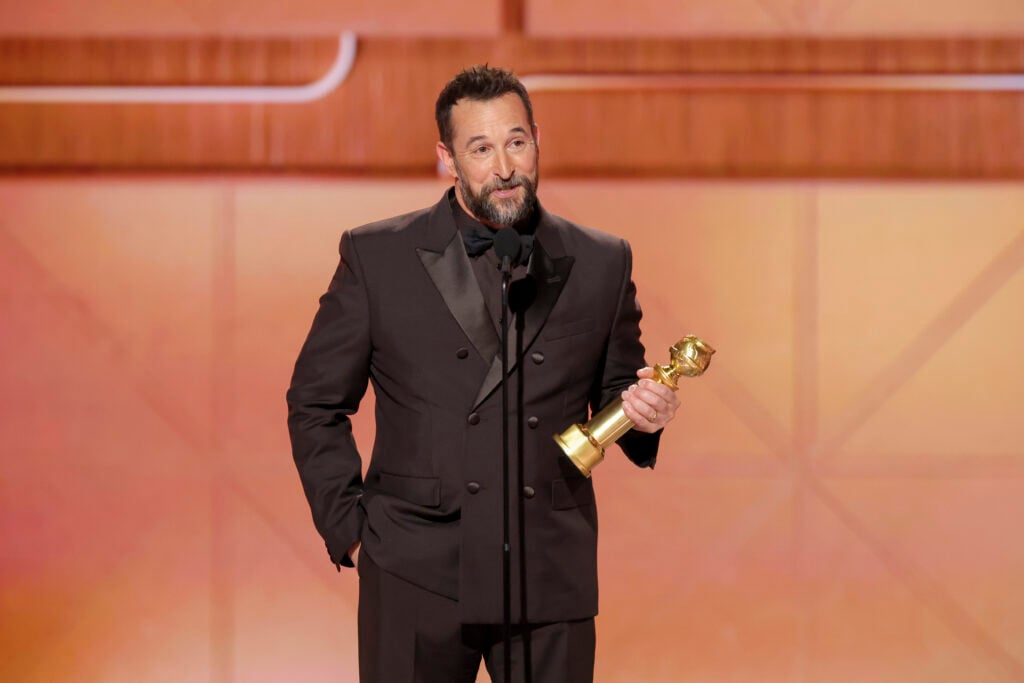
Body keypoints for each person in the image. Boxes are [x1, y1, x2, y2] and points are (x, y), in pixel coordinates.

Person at [286, 64, 680, 683]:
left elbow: (616, 395)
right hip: (414, 570)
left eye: (516, 142)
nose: (504, 167)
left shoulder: (602, 261)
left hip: (548, 572)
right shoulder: (377, 257)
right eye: (481, 149)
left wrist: (647, 416)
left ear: (537, 140)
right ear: (447, 158)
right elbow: (315, 402)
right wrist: (352, 529)